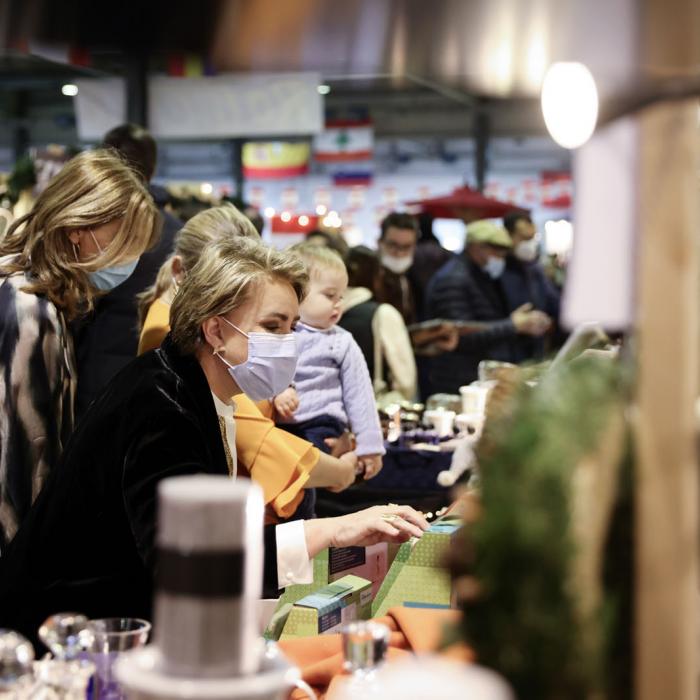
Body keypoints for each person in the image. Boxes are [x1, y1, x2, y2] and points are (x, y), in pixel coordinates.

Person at [0, 236, 428, 642]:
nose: (288, 344)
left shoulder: (194, 388)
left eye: (292, 327)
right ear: (215, 330)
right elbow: (188, 556)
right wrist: (332, 530)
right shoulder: (161, 404)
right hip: (60, 641)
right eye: (272, 326)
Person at [137, 204, 358, 519]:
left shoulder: (199, 331)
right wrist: (341, 472)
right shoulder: (173, 339)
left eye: (290, 326)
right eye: (272, 326)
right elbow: (254, 437)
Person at [0, 149, 160, 551]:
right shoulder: (31, 312)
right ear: (78, 228)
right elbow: (24, 460)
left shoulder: (25, 288)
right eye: (126, 241)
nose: (132, 259)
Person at [71, 124, 182, 420]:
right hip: (160, 371)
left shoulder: (90, 223)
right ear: (154, 166)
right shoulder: (177, 232)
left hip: (96, 369)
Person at [274, 244, 385, 516]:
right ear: (296, 292)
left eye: (341, 296)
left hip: (320, 423)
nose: (339, 304)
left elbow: (360, 394)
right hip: (279, 424)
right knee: (282, 478)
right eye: (330, 295)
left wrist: (370, 446)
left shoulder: (341, 341)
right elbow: (262, 369)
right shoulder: (279, 331)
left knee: (302, 480)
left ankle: (304, 523)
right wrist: (276, 391)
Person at [425, 220, 552, 392]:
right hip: (456, 381)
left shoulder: (479, 275)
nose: (501, 258)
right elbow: (458, 334)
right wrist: (513, 325)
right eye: (497, 251)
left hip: (471, 376)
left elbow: (484, 320)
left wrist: (512, 322)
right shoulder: (454, 279)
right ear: (476, 247)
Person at [339, 246, 417, 402]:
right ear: (377, 275)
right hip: (372, 410)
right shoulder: (383, 314)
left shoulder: (325, 312)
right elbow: (405, 381)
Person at [502, 211, 561, 362]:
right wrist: (513, 323)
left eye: (532, 238)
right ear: (508, 235)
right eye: (524, 238)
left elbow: (554, 303)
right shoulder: (497, 269)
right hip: (507, 353)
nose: (529, 244)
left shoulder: (535, 269)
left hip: (536, 351)